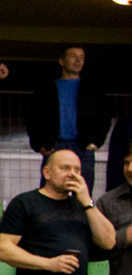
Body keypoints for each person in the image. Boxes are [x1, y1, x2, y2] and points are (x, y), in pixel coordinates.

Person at [0, 149, 116, 275]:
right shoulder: (25, 203)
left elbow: (109, 242)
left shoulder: (83, 207)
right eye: (65, 168)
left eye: (77, 170)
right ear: (47, 173)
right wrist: (49, 264)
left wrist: (87, 201)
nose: (72, 174)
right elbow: (4, 249)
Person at [26, 45, 109, 194]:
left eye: (81, 57)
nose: (78, 61)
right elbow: (33, 118)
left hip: (83, 146)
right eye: (73, 56)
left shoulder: (92, 89)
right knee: (49, 192)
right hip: (54, 146)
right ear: (62, 61)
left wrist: (96, 142)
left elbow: (104, 116)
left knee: (82, 193)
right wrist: (39, 145)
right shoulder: (46, 89)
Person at [92, 151, 132, 275]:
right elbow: (93, 251)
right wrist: (124, 237)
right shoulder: (108, 202)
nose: (130, 169)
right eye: (126, 163)